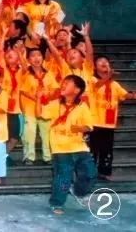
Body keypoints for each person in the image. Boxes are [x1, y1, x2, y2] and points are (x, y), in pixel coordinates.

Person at [48, 75, 96, 215]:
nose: (63, 85)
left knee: (90, 173)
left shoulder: (82, 106)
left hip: (79, 147)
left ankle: (79, 192)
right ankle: (57, 203)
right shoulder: (55, 104)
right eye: (63, 82)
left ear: (76, 90)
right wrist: (39, 99)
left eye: (67, 83)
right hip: (60, 148)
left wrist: (80, 128)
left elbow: (89, 126)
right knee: (63, 177)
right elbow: (40, 113)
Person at [88, 55, 136, 180]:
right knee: (93, 149)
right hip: (95, 121)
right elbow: (97, 86)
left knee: (107, 150)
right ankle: (89, 173)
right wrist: (107, 76)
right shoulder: (92, 80)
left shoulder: (114, 84)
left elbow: (125, 95)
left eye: (106, 61)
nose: (104, 63)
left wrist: (133, 95)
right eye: (100, 61)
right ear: (95, 67)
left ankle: (104, 172)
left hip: (109, 123)